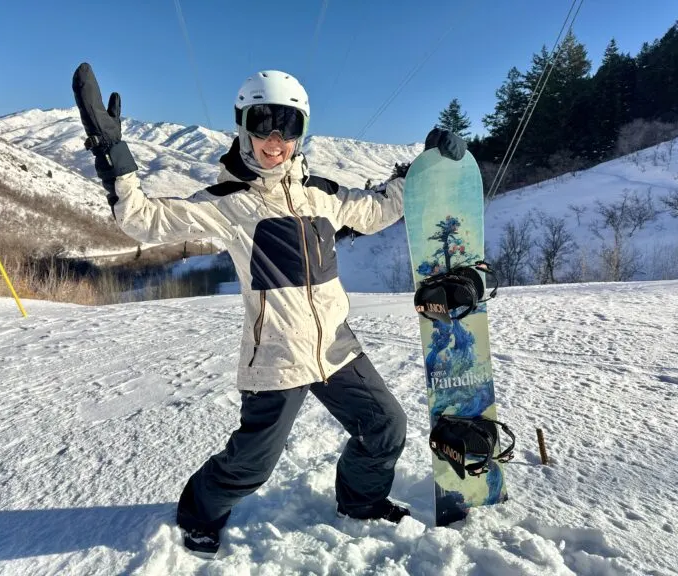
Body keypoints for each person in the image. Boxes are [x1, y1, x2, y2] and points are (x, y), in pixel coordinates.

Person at [72, 63, 467, 557]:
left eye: (288, 124)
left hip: (335, 346)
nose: (274, 138)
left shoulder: (322, 193)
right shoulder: (228, 202)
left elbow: (377, 209)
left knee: (386, 426)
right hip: (276, 357)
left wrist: (422, 168)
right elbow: (142, 219)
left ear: (302, 132)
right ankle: (198, 512)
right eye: (263, 122)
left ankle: (360, 501)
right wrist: (114, 157)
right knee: (252, 465)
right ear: (243, 127)